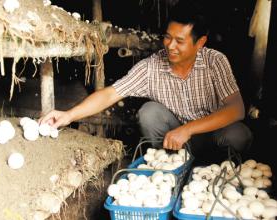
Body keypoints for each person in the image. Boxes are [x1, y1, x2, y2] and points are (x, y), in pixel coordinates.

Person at [39, 0, 253, 158]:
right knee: (149, 112)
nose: (170, 45)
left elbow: (237, 109)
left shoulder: (215, 61)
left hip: (210, 136)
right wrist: (69, 115)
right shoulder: (152, 66)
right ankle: (168, 164)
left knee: (238, 134)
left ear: (200, 43)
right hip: (174, 142)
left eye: (179, 41)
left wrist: (188, 129)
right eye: (168, 37)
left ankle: (219, 169)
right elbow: (111, 93)